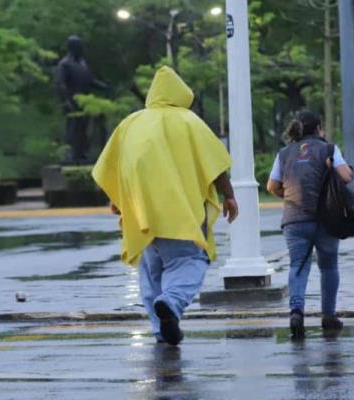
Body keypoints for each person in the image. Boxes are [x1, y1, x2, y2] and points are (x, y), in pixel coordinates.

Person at [92, 66, 237, 346]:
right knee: (189, 261)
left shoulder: (130, 123)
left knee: (151, 271)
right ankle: (171, 303)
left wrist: (117, 200)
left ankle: (161, 330)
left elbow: (113, 167)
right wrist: (229, 196)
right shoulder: (189, 121)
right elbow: (215, 165)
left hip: (139, 213)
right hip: (178, 212)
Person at [266, 111, 353, 339]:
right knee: (329, 266)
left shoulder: (284, 153)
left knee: (298, 265)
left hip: (294, 220)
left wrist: (289, 197)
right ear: (318, 129)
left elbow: (271, 186)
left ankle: (296, 312)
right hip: (326, 219)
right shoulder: (329, 149)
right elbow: (346, 176)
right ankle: (328, 316)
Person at [54, 35, 107, 164]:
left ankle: (82, 154)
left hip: (85, 103)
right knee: (72, 129)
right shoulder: (65, 64)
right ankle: (71, 156)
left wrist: (103, 86)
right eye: (79, 46)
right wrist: (65, 101)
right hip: (72, 102)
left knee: (84, 130)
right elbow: (60, 84)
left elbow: (89, 80)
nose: (82, 48)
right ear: (73, 47)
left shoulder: (82, 63)